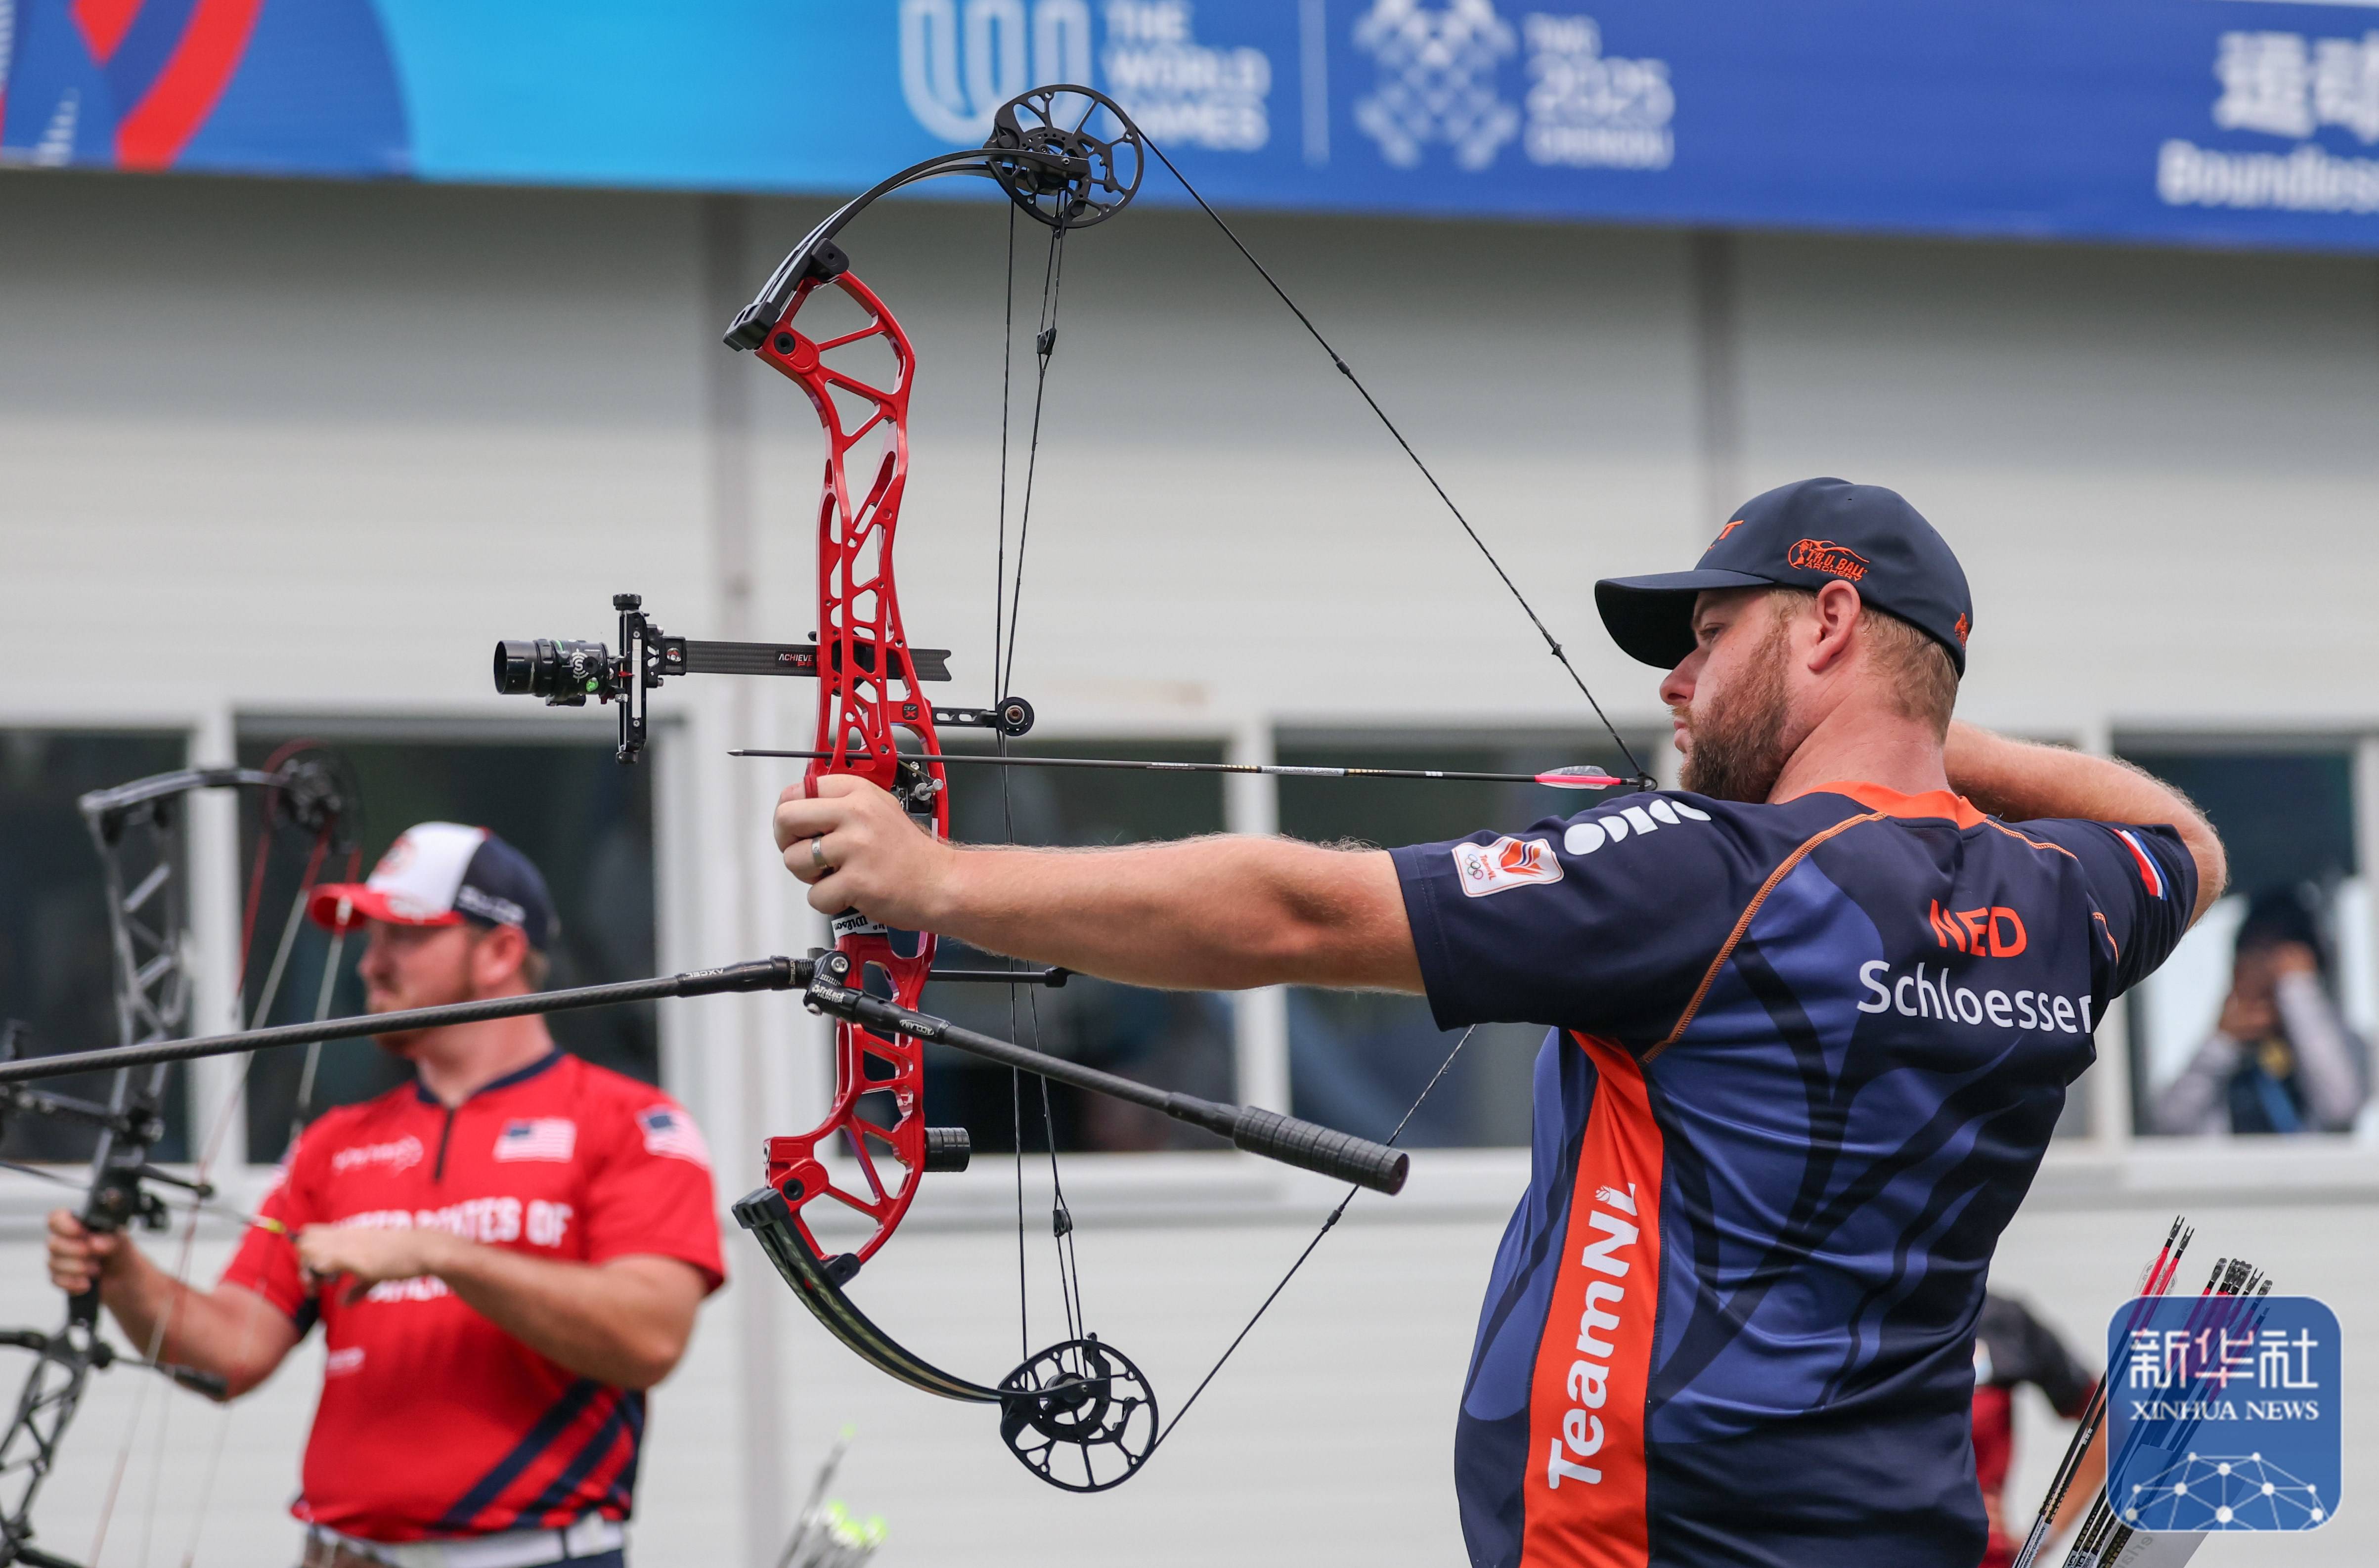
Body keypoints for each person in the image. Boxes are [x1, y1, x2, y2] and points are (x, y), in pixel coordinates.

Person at [771, 477, 2223, 1568]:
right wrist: (1915, 734)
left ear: (1828, 622)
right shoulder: (2057, 902)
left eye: (1711, 636)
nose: (1674, 680)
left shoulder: (1712, 871)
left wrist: (936, 877)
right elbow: (2184, 840)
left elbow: (1300, 914)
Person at [47, 823, 724, 1568]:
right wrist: (122, 1274)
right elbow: (228, 1355)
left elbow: (651, 1338)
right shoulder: (336, 1141)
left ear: (499, 951)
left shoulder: (630, 1121)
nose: (370, 964)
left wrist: (434, 1252)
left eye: (404, 936)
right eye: (369, 937)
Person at [2150, 883, 2367, 1135]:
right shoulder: (2224, 1056)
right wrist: (2222, 1043)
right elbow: (2168, 1123)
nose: (2267, 978)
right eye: (2255, 957)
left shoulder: (2346, 1045)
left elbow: (2341, 1107)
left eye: (2282, 965)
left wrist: (2299, 997)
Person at [1972, 1293, 2102, 1567]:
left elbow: (2109, 1422)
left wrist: (2045, 1536)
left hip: (1982, 1558)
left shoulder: (2001, 1318)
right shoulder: (1863, 1317)